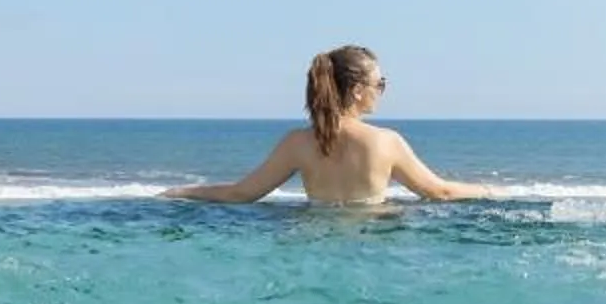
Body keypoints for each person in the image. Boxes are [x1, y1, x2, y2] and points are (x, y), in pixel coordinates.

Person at [159, 45, 494, 207]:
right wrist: (489, 191)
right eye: (381, 83)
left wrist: (183, 191)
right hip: (370, 245)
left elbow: (242, 193)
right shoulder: (385, 142)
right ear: (358, 90)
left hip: (315, 241)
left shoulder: (297, 143)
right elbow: (439, 192)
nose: (382, 91)